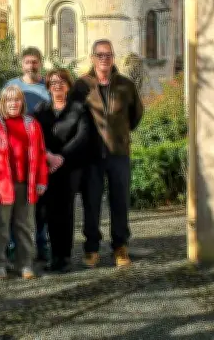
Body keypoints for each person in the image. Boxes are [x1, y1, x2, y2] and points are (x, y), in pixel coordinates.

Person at [71, 39, 144, 268]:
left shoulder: (126, 85)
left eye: (108, 55)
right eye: (100, 55)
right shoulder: (82, 85)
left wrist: (119, 133)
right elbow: (74, 116)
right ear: (93, 58)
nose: (105, 59)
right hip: (91, 155)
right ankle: (92, 248)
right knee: (91, 203)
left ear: (113, 57)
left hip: (118, 153)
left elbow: (136, 115)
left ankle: (120, 247)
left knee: (120, 201)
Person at [0, 85, 48, 280]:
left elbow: (41, 154)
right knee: (1, 227)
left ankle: (24, 264)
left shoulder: (32, 124)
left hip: (27, 184)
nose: (13, 103)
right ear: (2, 103)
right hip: (2, 186)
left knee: (25, 226)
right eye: (9, 100)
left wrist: (42, 181)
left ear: (22, 103)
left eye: (17, 100)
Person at [32, 68, 90, 273]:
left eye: (61, 82)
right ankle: (54, 255)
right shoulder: (41, 110)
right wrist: (48, 155)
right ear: (48, 86)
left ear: (68, 86)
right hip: (46, 167)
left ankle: (64, 256)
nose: (57, 86)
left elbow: (82, 137)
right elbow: (34, 136)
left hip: (70, 167)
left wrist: (61, 157)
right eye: (53, 82)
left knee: (65, 212)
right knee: (48, 212)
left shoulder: (79, 109)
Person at [5, 46, 51, 262]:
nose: (31, 65)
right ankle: (14, 245)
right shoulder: (12, 86)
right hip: (15, 157)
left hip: (41, 152)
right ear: (21, 64)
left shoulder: (47, 87)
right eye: (27, 62)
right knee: (16, 204)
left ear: (40, 63)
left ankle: (42, 244)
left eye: (35, 62)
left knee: (42, 205)